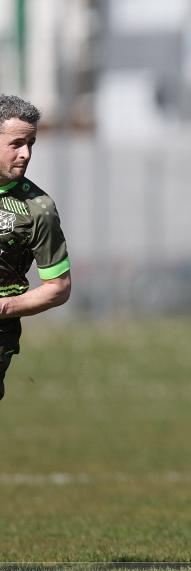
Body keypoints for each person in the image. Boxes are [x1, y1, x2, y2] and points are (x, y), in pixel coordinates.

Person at [0, 95, 71, 401]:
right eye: (16, 143)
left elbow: (58, 287)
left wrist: (4, 307)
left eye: (31, 144)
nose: (26, 154)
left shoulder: (38, 209)